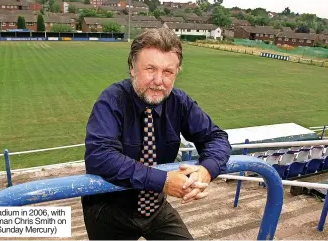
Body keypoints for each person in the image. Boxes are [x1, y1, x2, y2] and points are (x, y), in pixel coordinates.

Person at [82, 27, 231, 240]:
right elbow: (100, 156)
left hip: (155, 207)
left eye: (168, 72)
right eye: (150, 69)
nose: (159, 81)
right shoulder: (112, 100)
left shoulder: (180, 102)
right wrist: (163, 181)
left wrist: (206, 170)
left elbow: (216, 137)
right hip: (109, 210)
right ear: (132, 68)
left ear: (177, 72)